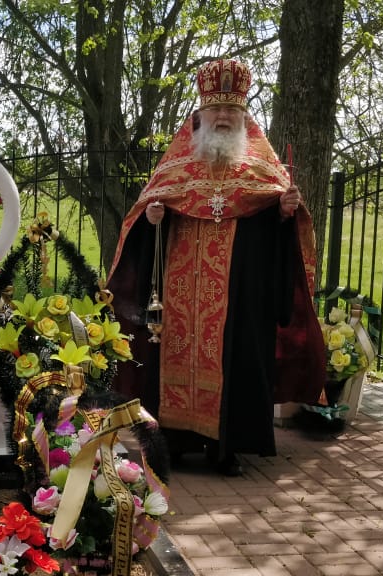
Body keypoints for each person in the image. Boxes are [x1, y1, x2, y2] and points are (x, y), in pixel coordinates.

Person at [107, 59, 326, 476]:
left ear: (243, 116)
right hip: (177, 294)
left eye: (231, 110)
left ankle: (224, 450)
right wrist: (153, 219)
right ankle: (172, 443)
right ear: (201, 114)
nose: (223, 116)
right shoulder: (176, 166)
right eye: (216, 109)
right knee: (168, 357)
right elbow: (146, 217)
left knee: (233, 360)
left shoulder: (261, 169)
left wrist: (282, 213)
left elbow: (276, 233)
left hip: (238, 294)